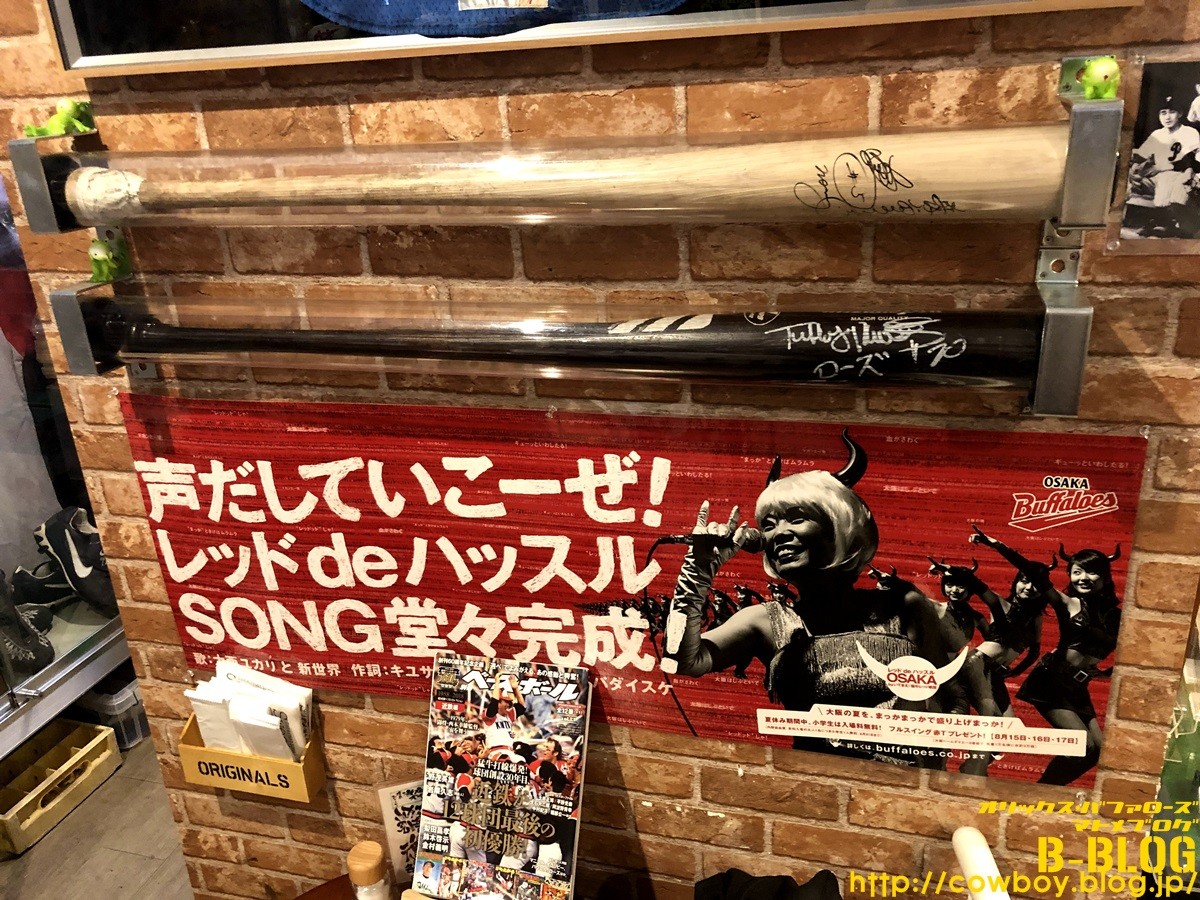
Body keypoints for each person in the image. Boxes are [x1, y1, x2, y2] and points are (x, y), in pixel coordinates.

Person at [661, 431, 964, 766]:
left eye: (797, 518)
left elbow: (951, 698)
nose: (779, 533)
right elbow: (681, 661)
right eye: (769, 524)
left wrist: (926, 769)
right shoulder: (765, 621)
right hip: (816, 783)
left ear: (839, 526)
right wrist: (696, 573)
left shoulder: (902, 605)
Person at [1015, 543, 1123, 785]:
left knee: (1098, 750)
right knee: (1082, 746)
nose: (1083, 578)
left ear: (1105, 576)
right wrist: (995, 545)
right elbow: (1035, 575)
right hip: (1051, 680)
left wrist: (1107, 672)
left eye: (1091, 572)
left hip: (1077, 686)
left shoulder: (1116, 615)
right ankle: (1040, 793)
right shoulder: (1069, 603)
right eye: (1077, 572)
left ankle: (1044, 790)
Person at [1126, 96, 1200, 236]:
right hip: (1155, 177)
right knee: (1132, 176)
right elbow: (1141, 155)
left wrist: (1161, 167)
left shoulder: (1189, 132)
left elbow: (1191, 162)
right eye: (1163, 113)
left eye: (1172, 112)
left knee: (1167, 179)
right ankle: (1155, 222)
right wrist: (1135, 167)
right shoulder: (1157, 134)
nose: (1167, 117)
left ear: (1180, 114)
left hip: (1180, 174)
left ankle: (1164, 224)